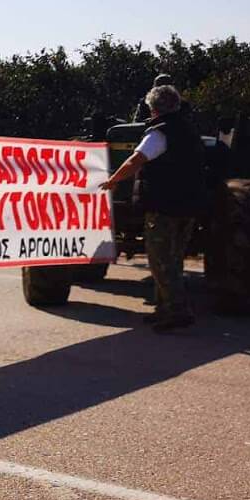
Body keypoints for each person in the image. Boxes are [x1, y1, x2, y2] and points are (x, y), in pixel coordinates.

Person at [101, 83, 207, 331]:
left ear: (153, 109)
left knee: (161, 261)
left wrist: (113, 180)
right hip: (189, 206)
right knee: (175, 259)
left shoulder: (159, 132)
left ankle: (178, 311)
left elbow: (135, 160)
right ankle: (163, 308)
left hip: (164, 207)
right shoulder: (189, 131)